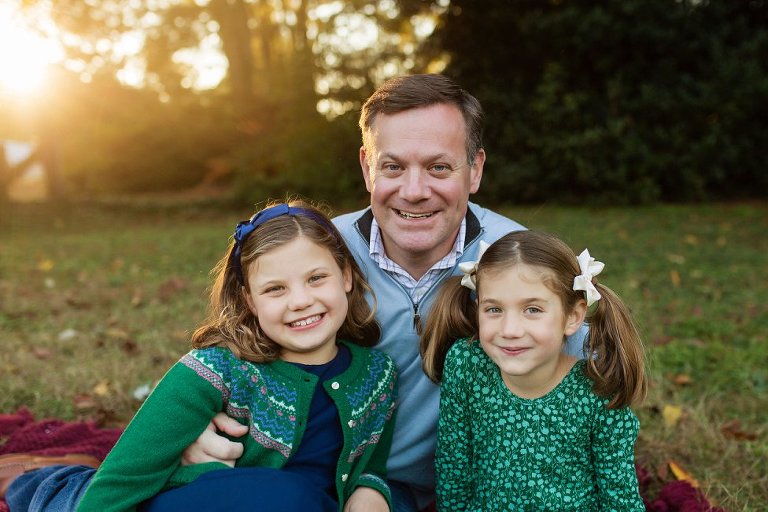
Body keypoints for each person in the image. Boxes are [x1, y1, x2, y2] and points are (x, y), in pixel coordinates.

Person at [0, 74, 586, 512]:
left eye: (438, 167)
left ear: (475, 169)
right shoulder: (321, 255)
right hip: (283, 474)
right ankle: (57, 489)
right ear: (365, 167)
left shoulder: (522, 267)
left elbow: (576, 396)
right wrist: (198, 434)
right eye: (393, 166)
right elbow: (237, 356)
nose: (414, 191)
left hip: (407, 490)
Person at [5, 202, 399, 512]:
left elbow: (371, 466)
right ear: (249, 300)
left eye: (316, 278)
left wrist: (372, 490)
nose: (300, 301)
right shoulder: (217, 370)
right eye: (275, 289)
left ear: (346, 276)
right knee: (287, 496)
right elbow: (126, 476)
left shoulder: (377, 377)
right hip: (183, 502)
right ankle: (45, 481)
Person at [420, 230, 647, 510]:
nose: (510, 330)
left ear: (573, 316)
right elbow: (453, 468)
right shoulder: (467, 364)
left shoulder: (597, 392)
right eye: (494, 310)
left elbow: (619, 500)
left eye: (533, 310)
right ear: (478, 308)